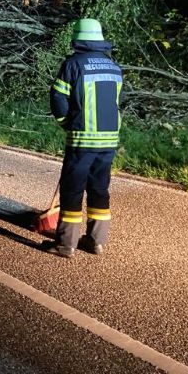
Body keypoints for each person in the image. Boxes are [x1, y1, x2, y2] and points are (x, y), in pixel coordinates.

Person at [46, 18, 122, 258]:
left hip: (82, 139)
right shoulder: (114, 67)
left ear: (78, 40)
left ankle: (65, 245)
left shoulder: (73, 64)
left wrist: (65, 123)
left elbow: (57, 97)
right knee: (100, 189)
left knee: (73, 190)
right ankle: (96, 241)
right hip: (109, 141)